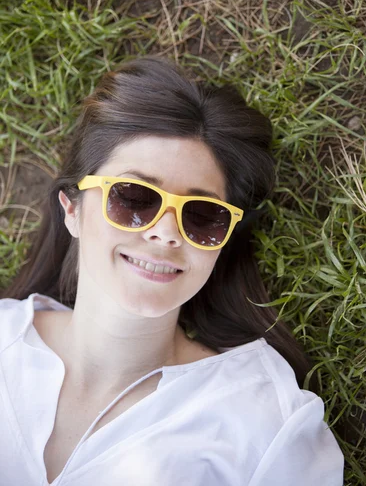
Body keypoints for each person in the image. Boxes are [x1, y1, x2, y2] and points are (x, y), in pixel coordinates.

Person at [0, 57, 344, 485]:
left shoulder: (267, 423)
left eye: (202, 215)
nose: (166, 233)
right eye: (133, 197)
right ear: (71, 208)